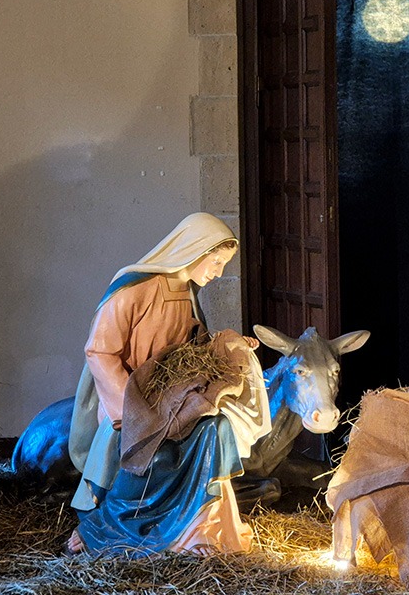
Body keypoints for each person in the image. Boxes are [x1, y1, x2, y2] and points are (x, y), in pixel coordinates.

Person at [66, 212, 271, 556]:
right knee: (154, 447)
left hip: (172, 399)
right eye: (216, 261)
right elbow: (99, 351)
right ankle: (106, 528)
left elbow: (195, 349)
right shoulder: (133, 288)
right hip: (134, 400)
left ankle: (201, 529)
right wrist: (131, 410)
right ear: (194, 249)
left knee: (218, 429)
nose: (218, 272)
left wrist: (231, 345)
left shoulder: (188, 293)